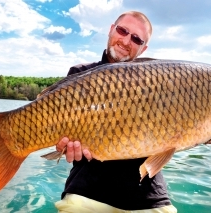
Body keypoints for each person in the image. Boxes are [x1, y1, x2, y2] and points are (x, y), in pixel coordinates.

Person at [55, 11, 177, 213]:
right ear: (112, 29)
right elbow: (60, 136)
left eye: (136, 39)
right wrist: (64, 146)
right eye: (123, 30)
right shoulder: (79, 75)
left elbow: (189, 127)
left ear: (143, 48)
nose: (126, 40)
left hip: (147, 196)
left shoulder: (160, 83)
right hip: (88, 191)